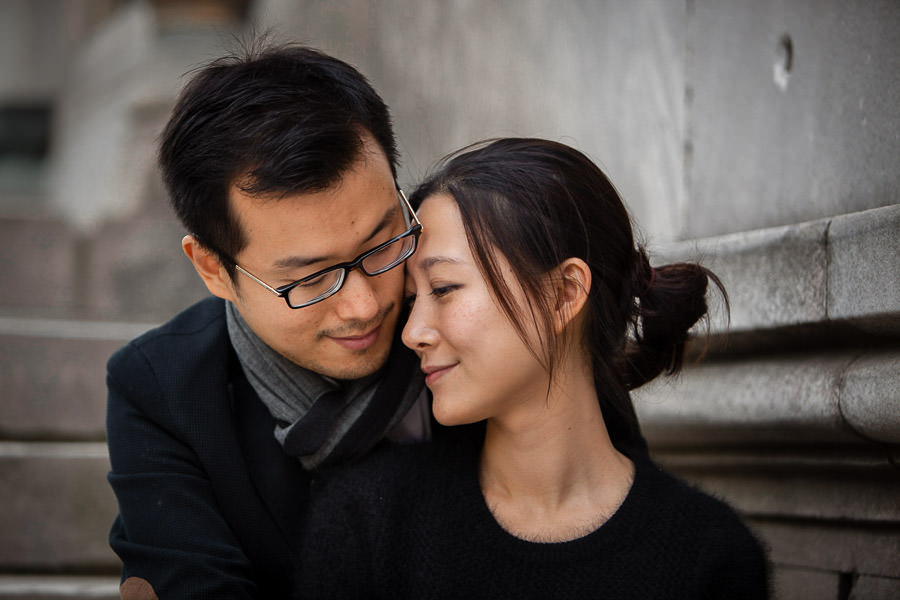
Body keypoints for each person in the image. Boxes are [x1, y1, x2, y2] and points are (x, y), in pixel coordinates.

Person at [297, 138, 770, 599]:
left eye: (442, 289)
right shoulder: (368, 520)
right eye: (412, 300)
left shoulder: (709, 554)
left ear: (563, 294)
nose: (411, 332)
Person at [105, 42, 434, 599]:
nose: (364, 305)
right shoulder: (163, 389)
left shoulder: (479, 319)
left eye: (382, 245)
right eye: (309, 279)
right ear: (212, 269)